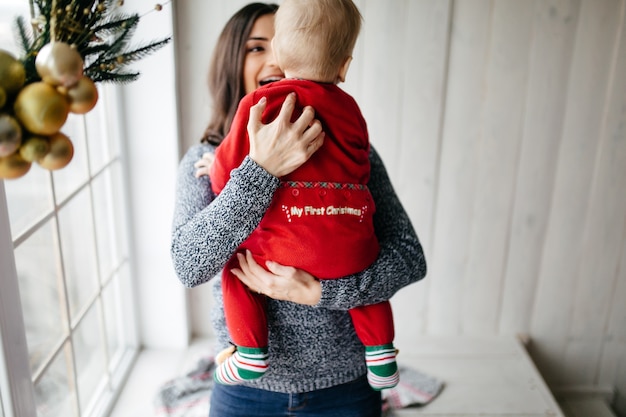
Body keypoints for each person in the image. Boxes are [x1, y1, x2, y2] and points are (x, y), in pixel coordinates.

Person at [170, 3, 427, 416]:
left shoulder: (353, 153)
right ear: (231, 61)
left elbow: (409, 259)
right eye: (258, 47)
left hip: (346, 389)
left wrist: (322, 293)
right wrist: (260, 170)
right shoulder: (205, 158)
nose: (275, 58)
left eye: (280, 42)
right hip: (246, 396)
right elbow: (189, 265)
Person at [209, 0, 398, 391]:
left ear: (280, 52)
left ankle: (249, 354)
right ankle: (381, 353)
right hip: (349, 242)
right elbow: (359, 166)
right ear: (345, 66)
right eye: (253, 47)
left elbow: (222, 175)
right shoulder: (352, 110)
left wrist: (222, 168)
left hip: (284, 254)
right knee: (365, 260)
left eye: (269, 45)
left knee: (237, 267)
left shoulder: (258, 107)